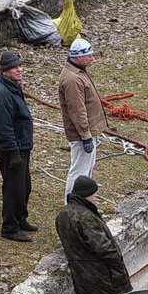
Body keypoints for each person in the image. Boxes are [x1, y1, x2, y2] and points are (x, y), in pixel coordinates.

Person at [0, 51, 37, 243]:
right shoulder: (0, 95)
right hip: (12, 150)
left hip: (21, 146)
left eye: (20, 66)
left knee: (24, 186)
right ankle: (9, 228)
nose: (19, 69)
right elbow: (3, 128)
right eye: (14, 67)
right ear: (4, 71)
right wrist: (14, 153)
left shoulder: (12, 87)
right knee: (13, 189)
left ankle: (21, 219)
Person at [58, 38, 108, 202]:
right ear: (78, 57)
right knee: (79, 171)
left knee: (86, 168)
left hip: (88, 132)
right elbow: (77, 111)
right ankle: (71, 203)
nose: (92, 58)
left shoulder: (78, 71)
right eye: (89, 56)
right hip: (82, 134)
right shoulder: (73, 79)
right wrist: (86, 136)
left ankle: (84, 199)